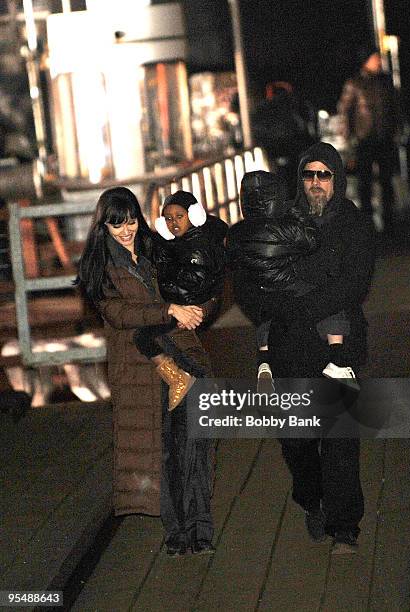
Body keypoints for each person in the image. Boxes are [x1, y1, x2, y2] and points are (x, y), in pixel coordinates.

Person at [76, 186, 215, 557]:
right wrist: (168, 310)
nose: (126, 230)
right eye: (116, 223)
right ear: (102, 226)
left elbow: (195, 273)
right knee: (163, 451)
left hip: (180, 356)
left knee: (195, 446)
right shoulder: (100, 267)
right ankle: (177, 533)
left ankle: (201, 528)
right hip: (141, 369)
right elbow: (120, 315)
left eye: (132, 220)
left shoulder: (155, 249)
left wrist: (194, 302)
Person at [268, 142, 375, 553]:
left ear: (336, 180)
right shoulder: (284, 222)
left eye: (324, 175)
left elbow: (354, 283)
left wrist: (303, 302)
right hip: (291, 347)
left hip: (338, 345)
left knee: (339, 437)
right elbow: (266, 277)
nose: (315, 184)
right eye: (309, 175)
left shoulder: (353, 224)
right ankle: (312, 499)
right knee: (295, 439)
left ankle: (345, 524)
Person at [227, 170, 359, 393]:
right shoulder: (284, 227)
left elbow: (233, 260)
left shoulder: (237, 232)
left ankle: (264, 361)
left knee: (265, 318)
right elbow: (311, 240)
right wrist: (295, 212)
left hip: (261, 291)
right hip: (290, 288)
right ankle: (337, 361)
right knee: (332, 306)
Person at [133, 190, 227, 405]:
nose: (173, 223)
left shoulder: (197, 246)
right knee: (180, 347)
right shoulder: (180, 243)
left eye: (179, 217)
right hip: (186, 306)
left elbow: (192, 283)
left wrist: (161, 280)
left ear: (194, 216)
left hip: (189, 306)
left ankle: (196, 390)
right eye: (168, 219)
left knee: (154, 339)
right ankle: (198, 390)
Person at [337, 47, 400, 232]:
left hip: (385, 139)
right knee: (365, 183)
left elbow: (394, 107)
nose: (379, 61)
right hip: (364, 140)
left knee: (386, 181)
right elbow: (345, 111)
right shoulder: (355, 84)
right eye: (375, 58)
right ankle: (366, 223)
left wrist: (396, 130)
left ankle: (389, 221)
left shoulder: (385, 82)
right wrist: (350, 139)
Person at [252, 81, 318, 199]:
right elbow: (308, 126)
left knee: (280, 183)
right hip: (295, 151)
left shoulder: (264, 108)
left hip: (275, 152)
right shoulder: (295, 104)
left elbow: (258, 130)